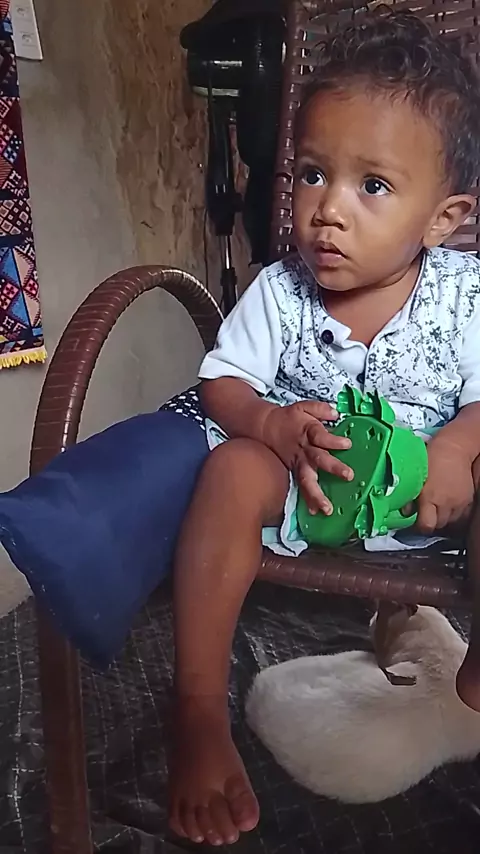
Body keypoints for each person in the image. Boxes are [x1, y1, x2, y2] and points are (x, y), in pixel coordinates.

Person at [167, 10, 480, 848]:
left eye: (372, 186)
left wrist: (458, 449)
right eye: (312, 174)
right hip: (312, 490)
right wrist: (270, 424)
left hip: (438, 505)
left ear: (442, 218)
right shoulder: (280, 290)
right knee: (230, 469)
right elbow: (222, 382)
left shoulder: (466, 295)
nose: (328, 210)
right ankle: (197, 710)